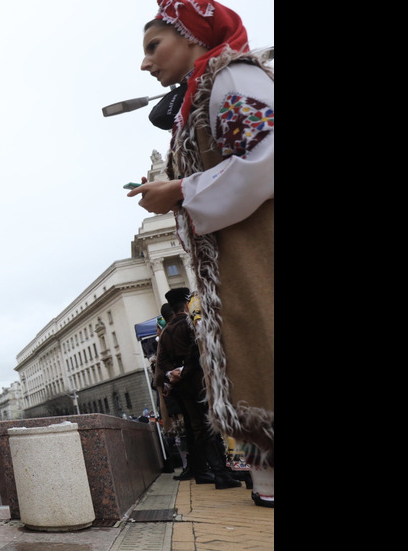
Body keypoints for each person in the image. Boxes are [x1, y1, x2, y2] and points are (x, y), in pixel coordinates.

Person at [128, 0, 273, 508]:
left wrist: (182, 189)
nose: (146, 63)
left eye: (153, 46)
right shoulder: (200, 95)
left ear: (192, 35)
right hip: (237, 256)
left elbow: (267, 157)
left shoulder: (233, 78)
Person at [156, 288, 240, 490]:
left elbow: (162, 362)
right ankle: (224, 473)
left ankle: (213, 472)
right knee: (213, 424)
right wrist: (184, 371)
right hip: (200, 381)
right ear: (186, 304)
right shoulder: (190, 323)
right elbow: (198, 350)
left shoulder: (166, 332)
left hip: (182, 388)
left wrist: (171, 374)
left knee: (199, 428)